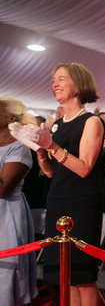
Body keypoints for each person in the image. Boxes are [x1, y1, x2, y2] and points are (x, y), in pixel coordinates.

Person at [10, 63, 105, 305]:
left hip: (81, 205)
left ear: (79, 84)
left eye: (62, 78)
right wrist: (39, 150)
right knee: (65, 277)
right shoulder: (57, 125)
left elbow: (84, 168)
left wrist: (52, 146)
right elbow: (52, 173)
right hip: (58, 201)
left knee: (83, 278)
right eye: (54, 79)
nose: (55, 83)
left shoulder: (91, 121)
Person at [0, 97, 37, 306]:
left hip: (6, 216)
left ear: (10, 118)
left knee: (6, 272)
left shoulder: (20, 148)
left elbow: (3, 188)